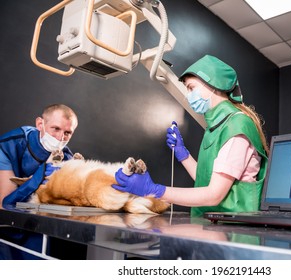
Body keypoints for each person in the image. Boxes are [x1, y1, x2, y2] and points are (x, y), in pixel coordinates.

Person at [112, 55, 269, 217]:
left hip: (235, 229)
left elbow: (214, 194)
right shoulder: (215, 127)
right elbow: (205, 180)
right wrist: (183, 154)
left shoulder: (237, 126)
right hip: (212, 222)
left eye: (191, 87)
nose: (188, 96)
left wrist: (154, 190)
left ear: (213, 84)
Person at [0, 103, 78, 208]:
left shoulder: (67, 157)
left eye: (67, 133)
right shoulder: (8, 145)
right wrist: (44, 170)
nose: (60, 138)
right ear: (40, 124)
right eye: (56, 128)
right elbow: (6, 204)